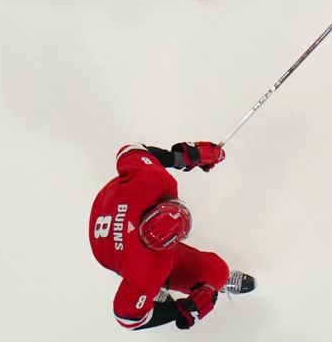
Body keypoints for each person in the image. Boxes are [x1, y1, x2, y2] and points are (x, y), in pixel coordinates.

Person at [89, 141, 255, 331]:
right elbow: (128, 317)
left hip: (108, 212)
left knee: (150, 278)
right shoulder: (146, 272)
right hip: (116, 255)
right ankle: (156, 292)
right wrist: (182, 310)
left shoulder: (150, 182)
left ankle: (153, 292)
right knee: (217, 272)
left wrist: (182, 158)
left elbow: (130, 151)